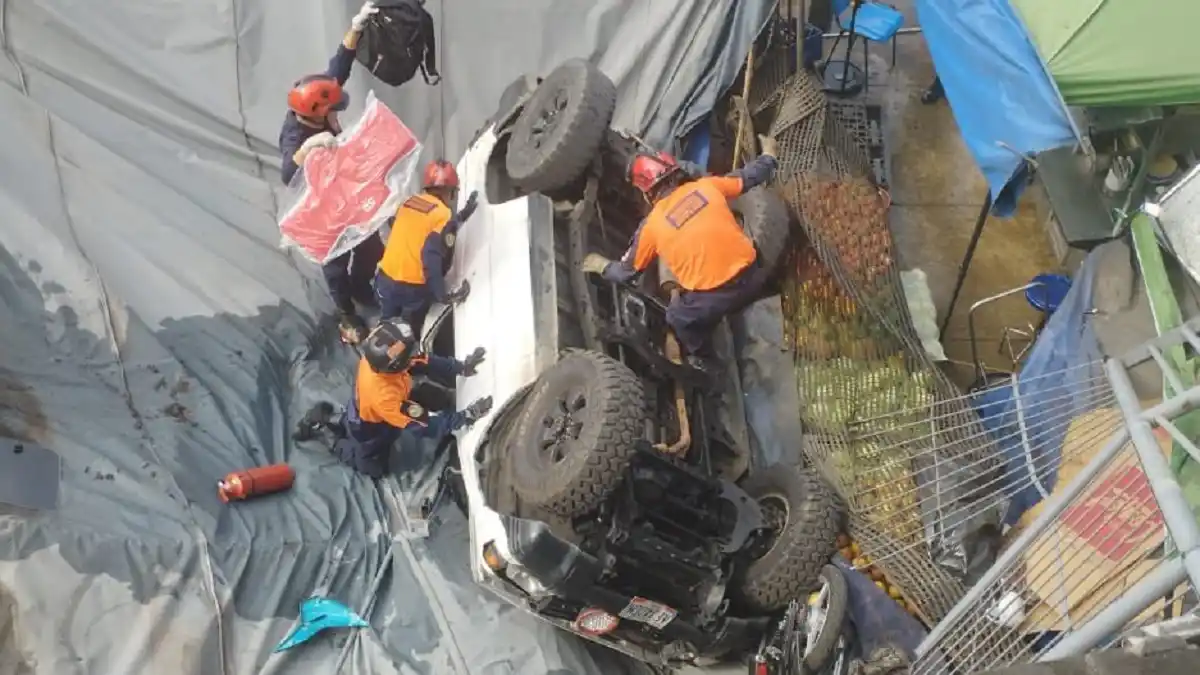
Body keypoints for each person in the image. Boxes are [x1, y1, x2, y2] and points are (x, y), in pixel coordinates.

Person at [580, 135, 780, 372]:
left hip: (717, 300)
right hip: (754, 275)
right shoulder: (707, 186)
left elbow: (627, 273)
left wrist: (602, 265)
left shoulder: (652, 225)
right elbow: (750, 177)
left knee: (677, 318)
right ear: (675, 173)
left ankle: (704, 360)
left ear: (646, 193)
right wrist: (769, 155)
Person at [279, 1, 382, 344]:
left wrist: (356, 27)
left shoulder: (320, 104)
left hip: (346, 188)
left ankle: (362, 287)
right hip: (321, 202)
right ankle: (346, 314)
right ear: (315, 114)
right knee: (335, 261)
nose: (337, 116)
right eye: (332, 112)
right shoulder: (296, 134)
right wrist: (308, 149)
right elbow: (286, 173)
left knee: (369, 245)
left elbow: (339, 68)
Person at [293, 318, 492, 480]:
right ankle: (327, 433)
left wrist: (460, 367)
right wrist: (465, 417)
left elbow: (425, 362)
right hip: (370, 428)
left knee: (358, 423)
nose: (413, 358)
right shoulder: (385, 397)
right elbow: (425, 426)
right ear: (394, 366)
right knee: (371, 467)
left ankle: (333, 421)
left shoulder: (382, 358)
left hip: (369, 409)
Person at [374, 160, 478, 335]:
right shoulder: (443, 215)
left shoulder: (409, 202)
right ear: (450, 192)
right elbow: (432, 257)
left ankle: (380, 352)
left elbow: (419, 229)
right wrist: (442, 294)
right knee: (407, 333)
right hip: (412, 289)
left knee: (386, 328)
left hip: (385, 278)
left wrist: (460, 218)